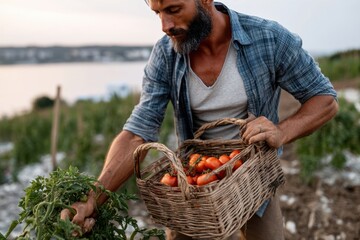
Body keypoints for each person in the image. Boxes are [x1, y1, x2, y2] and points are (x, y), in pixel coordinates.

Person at [61, 0, 338, 239]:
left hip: (255, 180)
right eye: (157, 13)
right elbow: (137, 132)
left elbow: (324, 99)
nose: (165, 25)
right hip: (193, 185)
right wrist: (91, 201)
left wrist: (282, 131)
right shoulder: (166, 55)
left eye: (173, 9)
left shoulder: (269, 39)